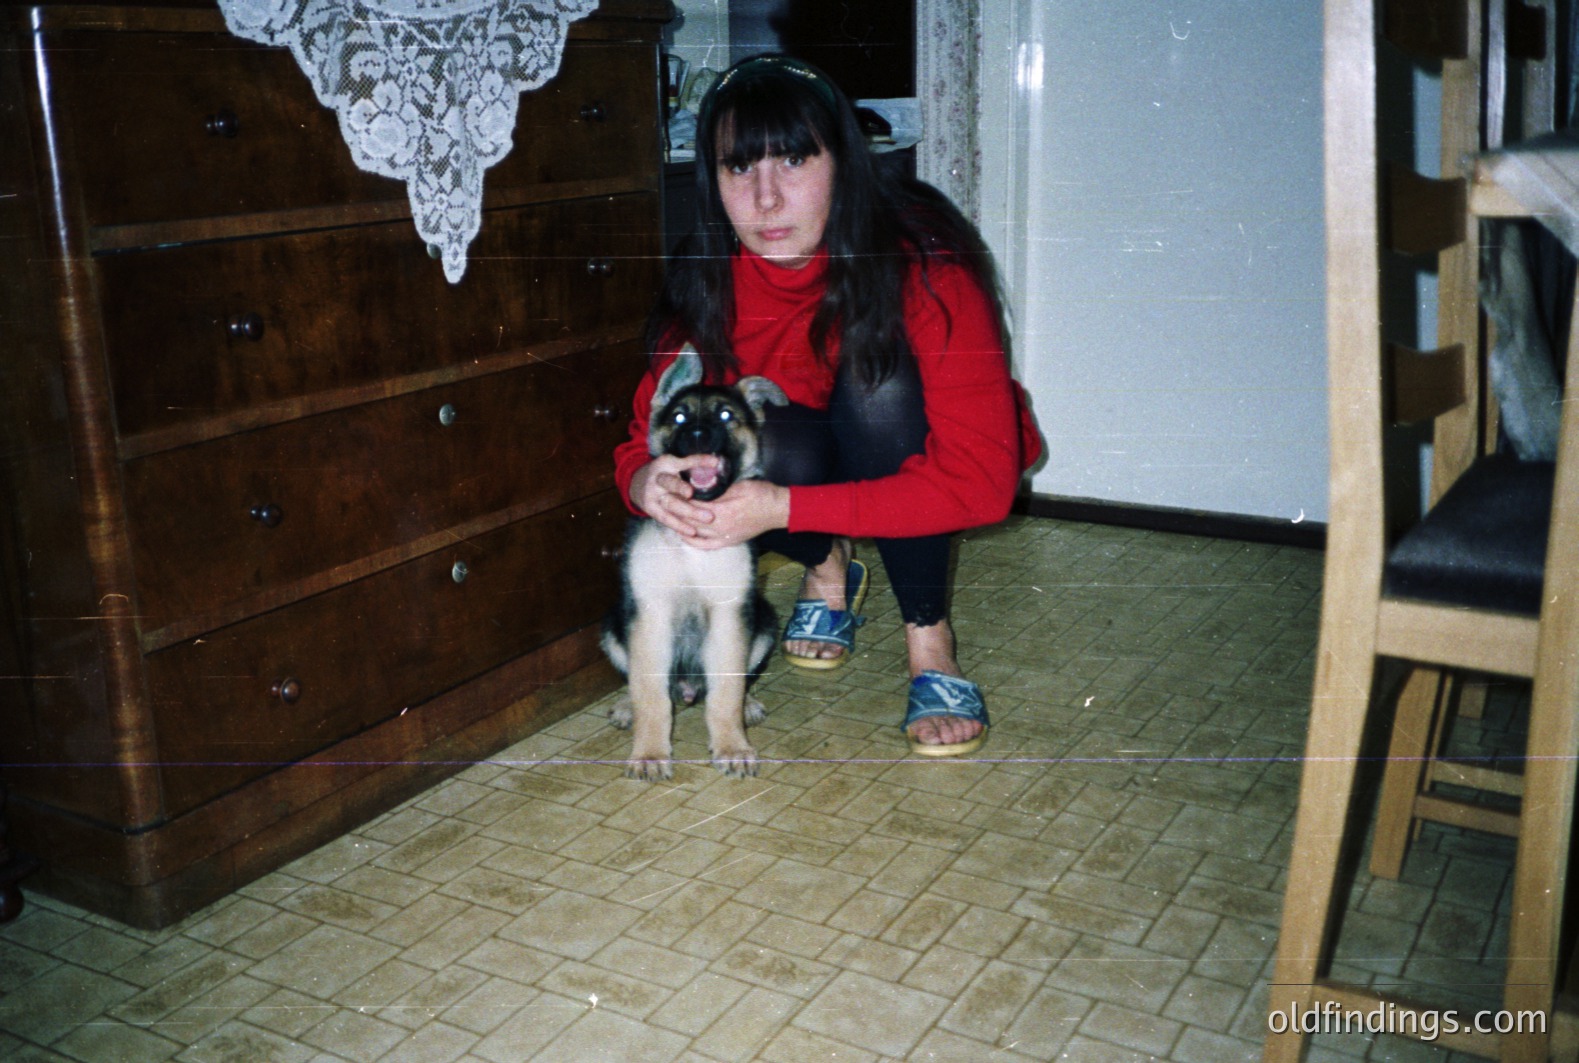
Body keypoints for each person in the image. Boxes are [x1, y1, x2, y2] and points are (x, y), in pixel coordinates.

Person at [613, 54, 1041, 757]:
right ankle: (827, 570)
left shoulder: (926, 266)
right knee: (744, 435)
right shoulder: (705, 277)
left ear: (844, 162)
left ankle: (930, 643)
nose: (766, 198)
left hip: (905, 439)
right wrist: (643, 481)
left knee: (878, 386)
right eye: (738, 167)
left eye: (793, 160)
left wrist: (781, 508)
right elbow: (644, 433)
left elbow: (980, 482)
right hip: (806, 454)